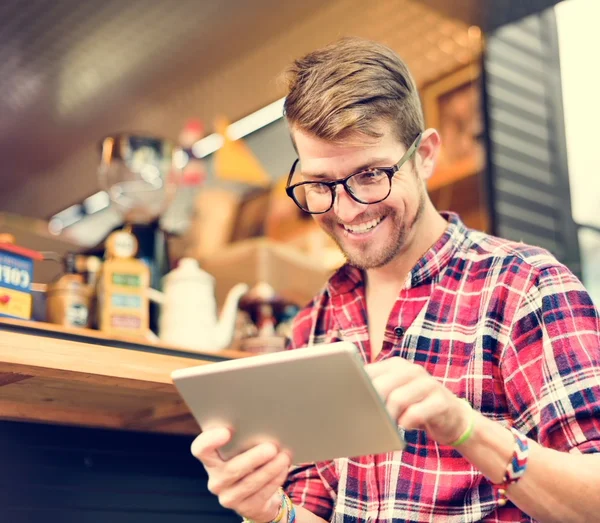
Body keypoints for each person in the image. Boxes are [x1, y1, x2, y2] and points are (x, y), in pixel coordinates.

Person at [191, 37, 600, 522]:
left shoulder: (525, 286)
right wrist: (270, 511)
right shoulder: (312, 327)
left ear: (425, 155)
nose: (347, 209)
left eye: (370, 175)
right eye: (321, 184)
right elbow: (312, 513)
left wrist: (464, 426)